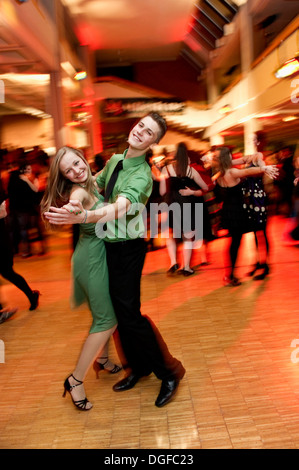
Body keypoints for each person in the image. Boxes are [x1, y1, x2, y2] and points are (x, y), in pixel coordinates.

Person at [44, 113, 186, 408]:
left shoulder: (142, 174)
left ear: (154, 142)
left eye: (148, 132)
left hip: (127, 247)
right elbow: (95, 186)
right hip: (107, 245)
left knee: (130, 316)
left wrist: (85, 216)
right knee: (120, 316)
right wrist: (74, 197)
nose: (140, 132)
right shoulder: (115, 160)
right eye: (140, 126)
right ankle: (139, 367)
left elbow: (119, 208)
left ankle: (169, 372)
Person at [41, 146, 121, 411]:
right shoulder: (79, 192)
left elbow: (97, 177)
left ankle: (104, 360)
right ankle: (75, 380)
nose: (76, 171)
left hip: (95, 254)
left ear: (83, 159)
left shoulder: (90, 181)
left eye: (77, 163)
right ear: (64, 176)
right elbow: (77, 201)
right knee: (107, 319)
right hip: (92, 260)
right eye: (69, 170)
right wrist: (73, 208)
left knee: (104, 313)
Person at [212, 147, 278, 286]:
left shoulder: (221, 172)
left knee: (235, 242)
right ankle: (230, 276)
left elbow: (248, 159)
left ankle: (235, 273)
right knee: (235, 244)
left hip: (228, 211)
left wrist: (257, 157)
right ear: (228, 157)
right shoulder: (232, 172)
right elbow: (247, 171)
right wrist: (264, 169)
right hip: (237, 212)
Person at [159, 142, 209, 275]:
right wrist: (192, 192)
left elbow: (162, 191)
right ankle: (186, 267)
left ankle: (173, 263)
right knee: (187, 236)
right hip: (187, 204)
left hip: (171, 204)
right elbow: (205, 188)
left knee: (171, 235)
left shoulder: (167, 169)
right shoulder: (191, 170)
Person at [0, 180, 39, 314]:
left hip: (1, 240)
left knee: (8, 272)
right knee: (7, 273)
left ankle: (31, 295)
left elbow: (3, 213)